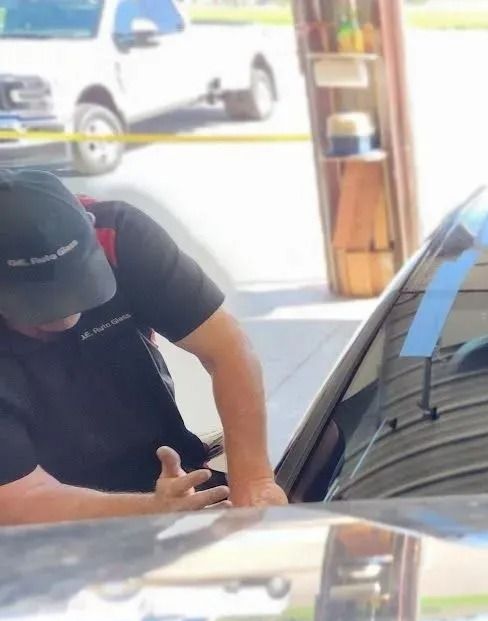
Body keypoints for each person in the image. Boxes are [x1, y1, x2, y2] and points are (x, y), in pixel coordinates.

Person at [0, 169, 286, 524]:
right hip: (41, 518)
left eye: (80, 294)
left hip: (167, 473)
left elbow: (227, 349)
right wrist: (151, 510)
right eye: (37, 309)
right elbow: (19, 499)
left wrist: (254, 482)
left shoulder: (117, 237)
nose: (63, 319)